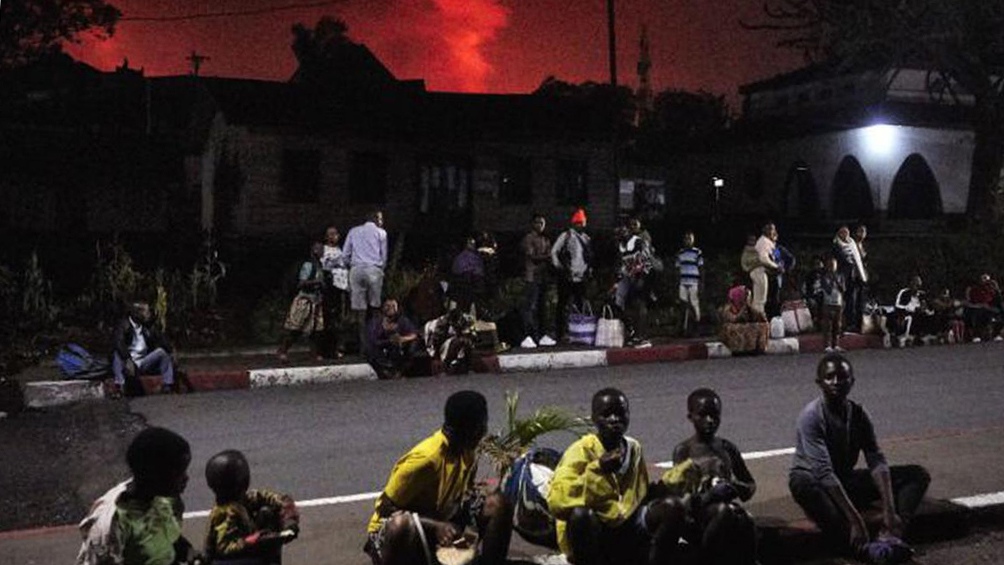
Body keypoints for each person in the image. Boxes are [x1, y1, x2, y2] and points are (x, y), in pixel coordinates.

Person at [789, 353, 931, 561]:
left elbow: (876, 459)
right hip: (815, 481)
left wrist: (890, 510)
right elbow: (823, 473)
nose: (836, 382)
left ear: (852, 381)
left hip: (843, 479)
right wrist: (856, 520)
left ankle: (891, 534)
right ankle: (862, 550)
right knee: (805, 485)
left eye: (842, 377)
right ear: (819, 382)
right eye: (830, 377)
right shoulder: (811, 417)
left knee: (917, 475)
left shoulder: (859, 414)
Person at [364, 391, 513, 565]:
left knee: (497, 504)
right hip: (398, 536)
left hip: (440, 521)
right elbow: (385, 508)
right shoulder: (425, 460)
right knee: (401, 525)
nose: (484, 432)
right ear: (466, 429)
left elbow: (462, 496)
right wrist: (436, 526)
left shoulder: (467, 451)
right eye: (481, 426)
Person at [547, 388, 682, 565]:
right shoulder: (581, 450)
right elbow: (557, 500)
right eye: (606, 415)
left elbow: (639, 495)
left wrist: (674, 482)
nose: (614, 420)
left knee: (673, 506)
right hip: (598, 527)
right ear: (594, 419)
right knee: (581, 515)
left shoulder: (634, 448)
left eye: (620, 413)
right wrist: (598, 468)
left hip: (628, 522)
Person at [77, 427, 197, 565]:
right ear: (154, 475)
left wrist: (188, 552)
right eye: (179, 473)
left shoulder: (166, 500)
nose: (186, 478)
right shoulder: (112, 524)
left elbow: (169, 537)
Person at [665, 388, 758, 565]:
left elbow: (749, 484)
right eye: (703, 415)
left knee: (746, 519)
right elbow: (680, 498)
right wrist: (709, 495)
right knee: (724, 511)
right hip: (696, 516)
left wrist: (736, 487)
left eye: (715, 415)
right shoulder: (684, 450)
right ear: (691, 417)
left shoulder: (727, 448)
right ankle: (705, 559)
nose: (710, 421)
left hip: (726, 510)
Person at [204, 450, 300, 564]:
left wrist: (289, 517)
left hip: (241, 550)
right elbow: (225, 548)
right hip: (226, 560)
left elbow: (272, 498)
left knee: (267, 512)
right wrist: (256, 540)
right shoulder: (226, 513)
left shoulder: (241, 500)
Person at [111, 301, 179, 397]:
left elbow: (162, 339)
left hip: (143, 362)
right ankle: (120, 386)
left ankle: (167, 385)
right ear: (136, 313)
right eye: (146, 312)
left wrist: (172, 350)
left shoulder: (148, 327)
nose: (149, 315)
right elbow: (118, 343)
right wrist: (127, 359)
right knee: (117, 355)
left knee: (162, 353)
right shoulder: (123, 325)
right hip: (127, 363)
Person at [343, 210, 389, 354]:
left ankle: (363, 346)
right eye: (380, 219)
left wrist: (350, 265)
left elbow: (345, 254)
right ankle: (375, 342)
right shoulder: (381, 233)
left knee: (360, 312)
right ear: (375, 219)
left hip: (356, 270)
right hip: (373, 269)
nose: (382, 221)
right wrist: (381, 269)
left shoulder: (353, 231)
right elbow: (384, 255)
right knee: (375, 309)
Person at [277, 241, 325, 363]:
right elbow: (302, 282)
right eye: (320, 250)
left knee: (315, 330)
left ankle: (314, 353)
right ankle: (283, 350)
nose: (322, 252)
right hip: (305, 300)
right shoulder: (309, 265)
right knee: (295, 327)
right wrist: (316, 282)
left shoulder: (319, 265)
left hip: (316, 300)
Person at [550, 208, 592, 343]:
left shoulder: (586, 238)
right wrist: (560, 268)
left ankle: (579, 333)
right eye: (578, 223)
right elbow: (554, 252)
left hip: (581, 277)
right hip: (567, 276)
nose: (580, 225)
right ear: (574, 223)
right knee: (562, 305)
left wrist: (588, 270)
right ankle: (560, 333)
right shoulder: (566, 236)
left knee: (580, 305)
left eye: (582, 223)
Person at [614, 225, 653, 348]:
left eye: (622, 233)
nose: (620, 237)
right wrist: (618, 280)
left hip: (643, 275)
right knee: (619, 303)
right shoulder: (621, 246)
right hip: (630, 277)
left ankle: (642, 337)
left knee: (639, 304)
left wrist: (642, 277)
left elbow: (647, 260)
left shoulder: (638, 242)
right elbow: (624, 265)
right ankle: (633, 332)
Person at [520, 214, 555, 348]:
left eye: (542, 223)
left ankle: (541, 335)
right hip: (532, 276)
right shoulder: (529, 238)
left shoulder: (545, 239)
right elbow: (532, 257)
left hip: (542, 277)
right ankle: (528, 336)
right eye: (537, 222)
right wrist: (548, 256)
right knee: (530, 308)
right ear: (532, 224)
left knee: (542, 308)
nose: (540, 225)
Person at [366, 298, 423, 379]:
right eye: (387, 306)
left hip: (397, 346)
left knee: (413, 345)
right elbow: (372, 339)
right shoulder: (376, 322)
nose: (390, 308)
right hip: (380, 347)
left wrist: (402, 339)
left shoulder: (402, 320)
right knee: (371, 349)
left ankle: (400, 371)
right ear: (382, 308)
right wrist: (388, 341)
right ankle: (386, 371)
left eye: (393, 306)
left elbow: (414, 334)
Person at [833, 226, 868, 332]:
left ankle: (857, 324)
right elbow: (842, 261)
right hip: (845, 277)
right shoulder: (838, 245)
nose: (845, 235)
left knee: (858, 301)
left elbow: (861, 261)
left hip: (858, 277)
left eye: (846, 233)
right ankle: (847, 324)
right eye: (842, 233)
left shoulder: (853, 244)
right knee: (848, 301)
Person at [320, 225, 348, 359]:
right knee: (329, 319)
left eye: (335, 234)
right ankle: (327, 349)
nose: (333, 236)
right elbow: (324, 265)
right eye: (330, 234)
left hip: (342, 287)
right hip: (331, 287)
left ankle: (338, 347)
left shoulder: (341, 249)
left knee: (340, 319)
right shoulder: (323, 249)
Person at [718, 282, 769, 355]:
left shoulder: (747, 308)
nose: (747, 298)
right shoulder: (728, 308)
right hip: (728, 332)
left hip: (743, 328)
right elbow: (733, 319)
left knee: (762, 326)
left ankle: (757, 349)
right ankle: (738, 350)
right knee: (737, 328)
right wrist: (741, 313)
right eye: (746, 296)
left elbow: (761, 318)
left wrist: (757, 313)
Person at [425, 308, 478, 375]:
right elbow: (434, 343)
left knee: (465, 341)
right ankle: (445, 366)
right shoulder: (440, 324)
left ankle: (468, 366)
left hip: (458, 344)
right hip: (439, 346)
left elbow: (473, 336)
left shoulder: (466, 319)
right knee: (457, 341)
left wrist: (466, 334)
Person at [675, 231, 704, 336]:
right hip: (683, 281)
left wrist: (701, 282)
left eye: (690, 238)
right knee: (683, 304)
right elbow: (677, 268)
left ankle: (697, 327)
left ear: (693, 240)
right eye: (686, 238)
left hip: (694, 281)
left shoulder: (697, 252)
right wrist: (677, 282)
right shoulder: (680, 253)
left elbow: (701, 267)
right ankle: (683, 328)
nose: (688, 241)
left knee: (694, 304)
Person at [449, 234, 486, 314]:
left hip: (463, 287)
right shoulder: (471, 257)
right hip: (467, 287)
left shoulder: (461, 257)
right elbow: (479, 274)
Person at [750, 223, 780, 319]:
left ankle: (759, 320)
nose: (773, 232)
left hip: (761, 271)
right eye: (771, 229)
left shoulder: (767, 241)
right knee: (760, 300)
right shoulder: (764, 241)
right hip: (759, 271)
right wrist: (776, 266)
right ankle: (759, 321)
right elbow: (764, 259)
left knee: (760, 299)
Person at [893, 275, 933, 346]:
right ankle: (905, 336)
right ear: (911, 284)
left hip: (919, 314)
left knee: (929, 315)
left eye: (918, 286)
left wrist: (927, 310)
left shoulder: (921, 294)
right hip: (905, 313)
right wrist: (909, 308)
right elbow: (897, 305)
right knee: (910, 317)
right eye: (915, 285)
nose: (916, 288)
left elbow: (926, 306)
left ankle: (923, 335)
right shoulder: (904, 292)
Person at [964, 273, 1003, 342]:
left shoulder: (993, 290)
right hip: (978, 308)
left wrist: (996, 288)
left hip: (991, 308)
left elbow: (998, 300)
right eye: (983, 279)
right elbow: (971, 302)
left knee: (1000, 313)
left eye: (987, 280)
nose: (986, 282)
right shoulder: (975, 289)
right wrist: (981, 305)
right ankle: (976, 335)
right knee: (977, 314)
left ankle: (997, 334)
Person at [819, 256, 846, 352]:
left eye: (834, 265)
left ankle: (836, 344)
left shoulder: (840, 276)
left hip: (838, 302)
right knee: (828, 325)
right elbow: (828, 290)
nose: (832, 267)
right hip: (828, 303)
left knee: (837, 325)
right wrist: (831, 280)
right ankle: (827, 345)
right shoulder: (824, 277)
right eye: (830, 265)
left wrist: (837, 281)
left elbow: (843, 289)